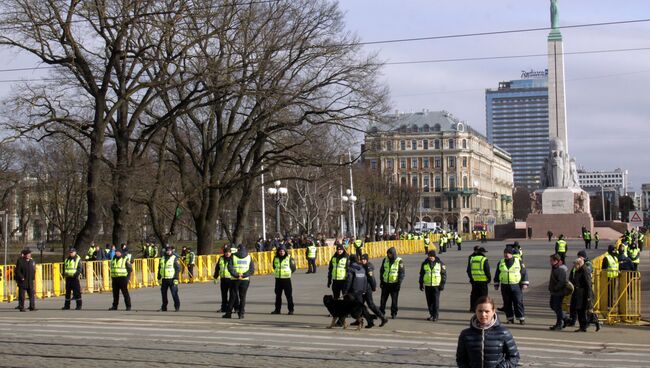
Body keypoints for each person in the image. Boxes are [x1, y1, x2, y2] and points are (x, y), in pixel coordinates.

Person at [456, 295, 520, 368]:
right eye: (480, 311)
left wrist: (502, 366)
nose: (483, 314)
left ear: (493, 311)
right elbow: (461, 360)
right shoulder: (465, 334)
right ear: (475, 311)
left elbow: (514, 357)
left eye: (487, 311)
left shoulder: (503, 332)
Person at [494, 247, 529, 325]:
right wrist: (496, 283)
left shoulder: (519, 261)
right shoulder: (501, 262)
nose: (506, 254)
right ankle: (510, 318)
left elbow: (524, 273)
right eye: (505, 253)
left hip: (516, 285)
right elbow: (497, 273)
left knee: (518, 302)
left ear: (511, 254)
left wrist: (525, 283)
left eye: (508, 253)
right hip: (505, 285)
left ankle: (521, 318)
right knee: (507, 303)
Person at [223, 245, 255, 319]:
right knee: (242, 297)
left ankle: (229, 313)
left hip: (235, 279)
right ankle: (241, 314)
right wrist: (243, 275)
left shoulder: (233, 256)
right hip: (245, 280)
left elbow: (230, 267)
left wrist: (236, 275)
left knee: (232, 297)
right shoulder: (249, 257)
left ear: (238, 250)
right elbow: (252, 269)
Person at [344, 254, 375, 328]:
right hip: (360, 290)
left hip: (353, 291)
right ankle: (368, 321)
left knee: (347, 307)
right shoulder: (361, 267)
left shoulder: (351, 268)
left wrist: (345, 291)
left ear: (350, 260)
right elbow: (365, 279)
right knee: (361, 307)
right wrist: (364, 290)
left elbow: (349, 281)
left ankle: (342, 322)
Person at [571, 258, 599, 332]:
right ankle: (584, 326)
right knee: (581, 310)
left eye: (575, 265)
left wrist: (589, 297)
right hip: (578, 293)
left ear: (579, 264)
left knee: (582, 311)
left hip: (584, 294)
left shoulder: (584, 271)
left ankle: (586, 325)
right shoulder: (578, 270)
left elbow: (588, 285)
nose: (574, 266)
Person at [359, 254, 388, 327]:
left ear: (367, 260)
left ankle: (382, 318)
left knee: (371, 305)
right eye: (362, 259)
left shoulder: (368, 267)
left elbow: (372, 278)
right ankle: (362, 321)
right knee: (359, 306)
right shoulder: (362, 265)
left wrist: (374, 287)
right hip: (362, 288)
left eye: (364, 259)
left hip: (367, 288)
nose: (363, 261)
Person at [418, 250, 447, 321]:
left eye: (432, 256)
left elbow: (443, 275)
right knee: (429, 302)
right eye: (429, 256)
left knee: (436, 301)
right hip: (428, 285)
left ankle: (436, 315)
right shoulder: (424, 264)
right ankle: (431, 314)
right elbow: (421, 274)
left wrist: (442, 284)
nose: (430, 257)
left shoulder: (440, 263)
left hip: (436, 285)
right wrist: (421, 284)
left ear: (434, 256)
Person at [379, 247, 405, 319]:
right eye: (388, 254)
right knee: (383, 300)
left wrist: (399, 283)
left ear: (393, 254)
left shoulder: (399, 261)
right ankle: (381, 312)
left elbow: (402, 273)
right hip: (385, 283)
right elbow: (382, 271)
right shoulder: (385, 260)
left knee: (394, 300)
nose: (388, 255)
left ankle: (393, 313)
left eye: (390, 254)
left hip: (394, 284)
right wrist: (381, 281)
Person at [271, 245, 296, 315]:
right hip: (278, 280)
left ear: (285, 251)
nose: (281, 252)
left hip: (286, 280)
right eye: (280, 251)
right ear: (278, 251)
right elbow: (274, 266)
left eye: (283, 251)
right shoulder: (275, 258)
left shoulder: (289, 258)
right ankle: (277, 310)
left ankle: (291, 310)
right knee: (278, 295)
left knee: (289, 295)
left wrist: (288, 273)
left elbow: (293, 268)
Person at [548, 253, 569, 330]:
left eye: (551, 260)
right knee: (553, 306)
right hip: (554, 292)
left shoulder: (560, 269)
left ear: (556, 261)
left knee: (557, 307)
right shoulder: (555, 267)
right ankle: (565, 319)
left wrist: (555, 288)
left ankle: (559, 324)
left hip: (559, 292)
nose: (550, 262)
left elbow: (561, 282)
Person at [214, 245, 237, 313]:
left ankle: (236, 308)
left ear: (231, 252)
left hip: (231, 279)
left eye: (229, 252)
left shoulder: (233, 258)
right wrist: (215, 277)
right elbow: (217, 268)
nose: (227, 253)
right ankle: (224, 308)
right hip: (223, 279)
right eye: (226, 252)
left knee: (233, 295)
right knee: (224, 295)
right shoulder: (221, 258)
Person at [467, 246, 490, 312]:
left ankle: (473, 308)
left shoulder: (472, 258)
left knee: (474, 295)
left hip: (474, 280)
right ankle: (483, 308)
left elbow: (469, 270)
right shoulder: (483, 259)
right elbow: (487, 270)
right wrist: (489, 278)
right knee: (483, 296)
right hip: (483, 280)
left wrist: (471, 278)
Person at [157, 245, 181, 312]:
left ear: (171, 251)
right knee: (163, 294)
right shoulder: (162, 258)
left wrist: (176, 278)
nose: (168, 252)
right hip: (164, 279)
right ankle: (164, 307)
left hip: (172, 279)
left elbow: (178, 268)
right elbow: (159, 268)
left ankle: (177, 307)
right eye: (167, 251)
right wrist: (158, 276)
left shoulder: (174, 258)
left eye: (169, 251)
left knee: (174, 293)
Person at [601, 245, 620, 309]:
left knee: (612, 291)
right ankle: (608, 305)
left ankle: (611, 303)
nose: (615, 251)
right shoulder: (607, 258)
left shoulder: (615, 257)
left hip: (614, 277)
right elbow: (604, 268)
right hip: (608, 277)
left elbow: (616, 266)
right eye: (613, 250)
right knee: (609, 292)